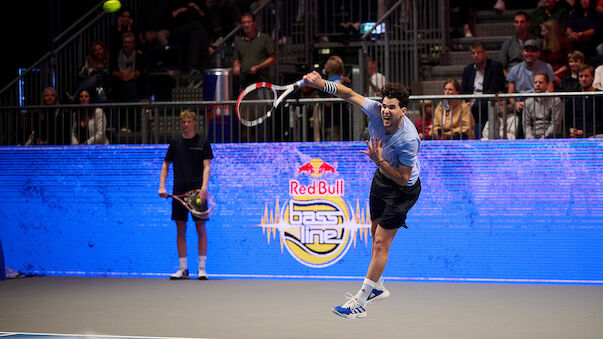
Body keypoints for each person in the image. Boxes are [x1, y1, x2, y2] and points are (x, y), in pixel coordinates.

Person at [302, 70, 421, 319]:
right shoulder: (376, 111)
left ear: (403, 111)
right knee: (374, 228)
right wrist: (323, 84)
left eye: (392, 107)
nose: (386, 111)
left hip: (402, 189)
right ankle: (376, 286)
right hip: (381, 178)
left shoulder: (409, 139)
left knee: (380, 243)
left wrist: (379, 162)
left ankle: (361, 302)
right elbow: (350, 94)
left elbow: (401, 177)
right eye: (384, 105)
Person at [158, 109, 213, 280]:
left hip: (198, 192)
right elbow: (165, 165)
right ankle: (183, 269)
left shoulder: (203, 142)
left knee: (200, 228)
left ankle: (202, 268)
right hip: (178, 192)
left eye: (189, 121)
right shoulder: (175, 143)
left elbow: (206, 167)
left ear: (195, 123)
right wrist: (162, 187)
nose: (186, 124)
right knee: (180, 230)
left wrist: (204, 188)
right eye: (183, 122)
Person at [461, 41, 506, 138]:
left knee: (479, 107)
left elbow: (494, 88)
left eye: (478, 52)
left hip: (488, 102)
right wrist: (467, 102)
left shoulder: (494, 66)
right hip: (471, 104)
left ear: (484, 53)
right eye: (473, 53)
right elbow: (464, 91)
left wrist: (476, 101)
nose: (476, 55)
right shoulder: (467, 70)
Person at [507, 39, 556, 112]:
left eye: (533, 51)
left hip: (541, 104)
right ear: (523, 52)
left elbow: (550, 90)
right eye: (527, 50)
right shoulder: (514, 70)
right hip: (520, 105)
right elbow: (510, 94)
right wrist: (516, 103)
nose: (529, 53)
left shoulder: (547, 67)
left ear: (538, 53)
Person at [111, 31, 146, 132]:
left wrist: (132, 74)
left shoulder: (139, 55)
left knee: (130, 88)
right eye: (125, 42)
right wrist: (119, 74)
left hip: (135, 83)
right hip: (118, 82)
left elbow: (142, 71)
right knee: (124, 89)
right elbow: (112, 71)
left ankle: (130, 125)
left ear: (134, 44)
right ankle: (123, 125)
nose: (127, 44)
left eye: (129, 42)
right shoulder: (116, 55)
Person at [233, 12, 276, 88]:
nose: (246, 25)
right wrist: (236, 66)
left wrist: (258, 67)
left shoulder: (264, 38)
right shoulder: (239, 41)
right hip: (244, 82)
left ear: (254, 23)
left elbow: (272, 58)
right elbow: (236, 58)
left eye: (248, 22)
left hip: (261, 81)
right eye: (244, 23)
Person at [168, 0, 212, 73]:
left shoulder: (194, 4)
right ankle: (208, 47)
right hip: (176, 32)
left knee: (194, 34)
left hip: (190, 31)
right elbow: (170, 17)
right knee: (196, 24)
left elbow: (204, 18)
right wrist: (180, 10)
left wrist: (196, 8)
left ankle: (193, 67)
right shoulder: (175, 3)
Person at [523, 72, 565, 138]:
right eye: (535, 82)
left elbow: (555, 124)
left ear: (547, 84)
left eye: (540, 82)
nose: (537, 85)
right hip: (533, 137)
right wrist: (530, 139)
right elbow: (526, 124)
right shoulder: (528, 101)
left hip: (551, 137)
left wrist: (543, 139)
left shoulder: (555, 100)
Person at [565, 64, 603, 137]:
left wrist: (584, 131)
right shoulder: (573, 97)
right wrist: (570, 129)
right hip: (574, 135)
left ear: (593, 77)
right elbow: (566, 121)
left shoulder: (600, 96)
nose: (583, 79)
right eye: (581, 76)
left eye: (586, 76)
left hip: (595, 133)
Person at [500, 11, 541, 76]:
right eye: (516, 22)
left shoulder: (536, 41)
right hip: (513, 75)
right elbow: (502, 66)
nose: (519, 25)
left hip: (532, 75)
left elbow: (539, 63)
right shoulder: (507, 43)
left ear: (528, 23)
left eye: (522, 22)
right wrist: (509, 78)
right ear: (514, 24)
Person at [539, 19, 573, 85]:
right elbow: (542, 63)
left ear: (551, 32)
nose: (541, 33)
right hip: (547, 72)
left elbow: (568, 64)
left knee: (550, 81)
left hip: (561, 72)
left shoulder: (565, 42)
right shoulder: (543, 43)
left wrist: (554, 74)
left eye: (544, 31)